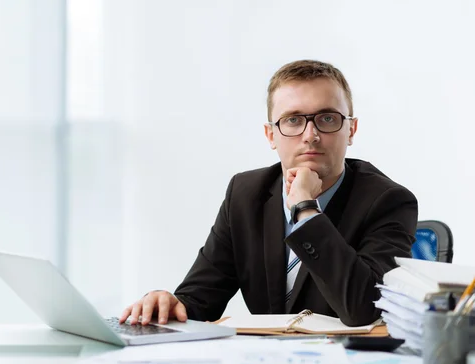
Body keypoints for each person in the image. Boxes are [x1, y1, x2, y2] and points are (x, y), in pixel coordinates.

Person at [119, 60, 418, 327]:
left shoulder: (388, 201)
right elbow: (200, 300)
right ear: (270, 135)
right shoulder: (246, 194)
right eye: (293, 120)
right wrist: (169, 304)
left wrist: (306, 209)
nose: (310, 135)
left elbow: (363, 309)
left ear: (350, 130)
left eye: (327, 118)